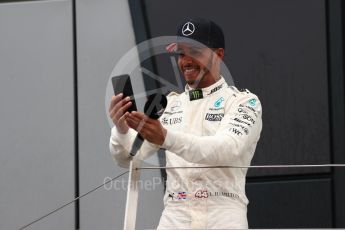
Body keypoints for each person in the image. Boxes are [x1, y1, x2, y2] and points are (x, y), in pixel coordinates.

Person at [109, 18, 262, 229]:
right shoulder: (169, 105)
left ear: (218, 55)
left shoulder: (244, 102)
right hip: (175, 217)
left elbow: (227, 149)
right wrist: (121, 128)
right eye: (181, 53)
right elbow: (128, 158)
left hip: (223, 215)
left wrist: (166, 138)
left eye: (195, 52)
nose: (186, 60)